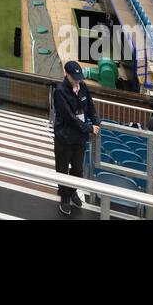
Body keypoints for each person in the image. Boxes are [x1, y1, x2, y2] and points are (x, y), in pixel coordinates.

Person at [52, 61, 99, 215]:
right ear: (66, 73)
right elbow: (69, 118)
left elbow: (90, 107)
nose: (77, 80)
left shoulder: (83, 87)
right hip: (64, 138)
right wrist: (89, 128)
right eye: (74, 77)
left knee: (78, 170)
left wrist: (96, 122)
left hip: (79, 138)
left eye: (79, 77)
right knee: (62, 169)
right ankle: (64, 196)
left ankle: (72, 192)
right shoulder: (59, 91)